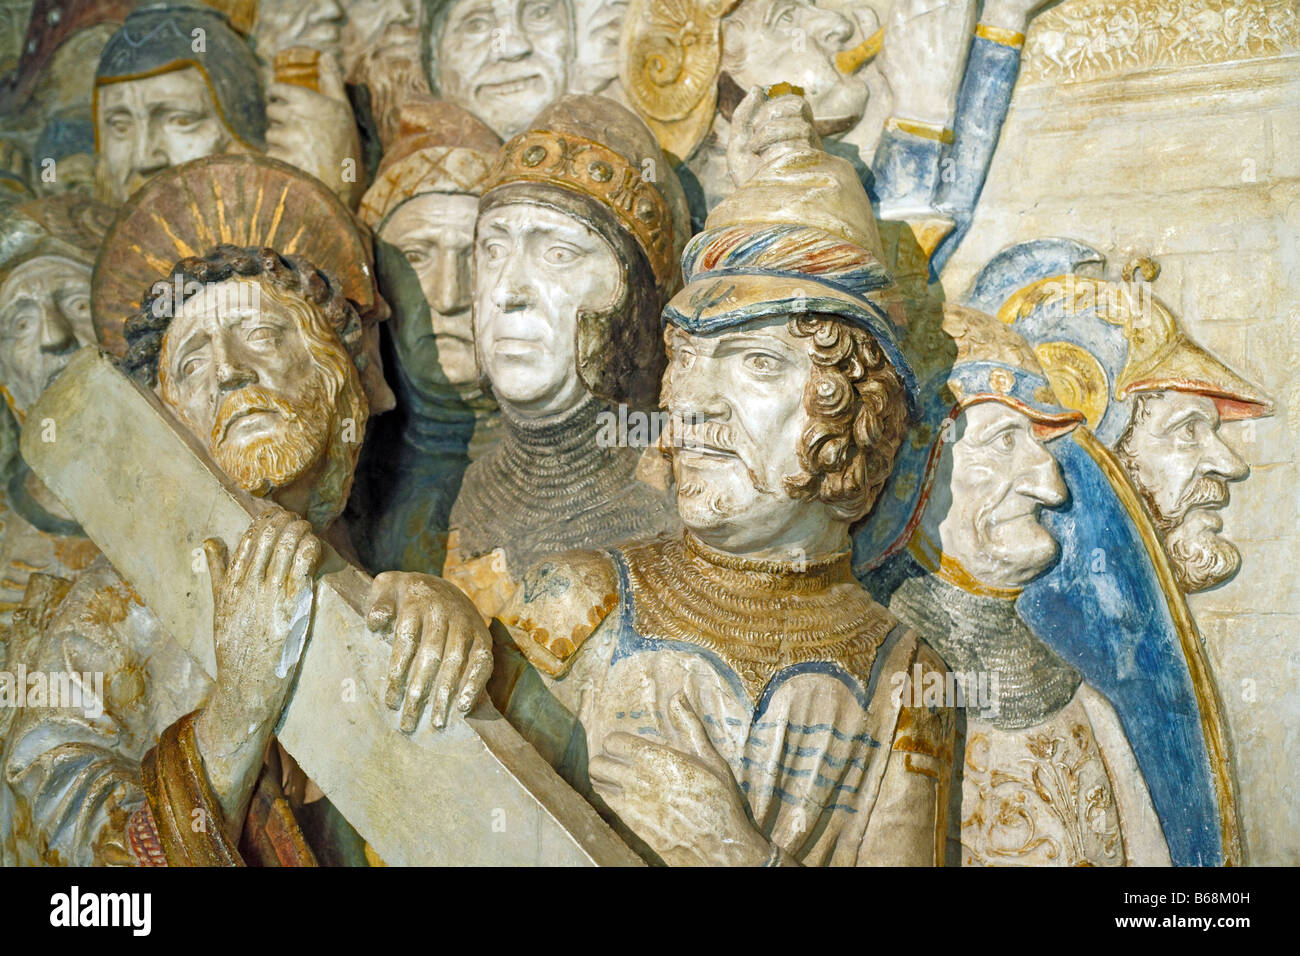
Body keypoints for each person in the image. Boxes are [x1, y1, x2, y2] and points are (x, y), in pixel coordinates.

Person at [373, 89, 955, 865]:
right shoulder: (583, 601)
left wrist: (730, 854)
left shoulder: (904, 679)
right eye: (688, 358)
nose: (694, 402)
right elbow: (458, 825)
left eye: (754, 362)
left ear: (856, 409)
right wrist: (428, 622)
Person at [442, 93, 688, 620]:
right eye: (494, 250)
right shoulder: (476, 493)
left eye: (558, 254)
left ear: (635, 296)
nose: (510, 290)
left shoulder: (680, 496)